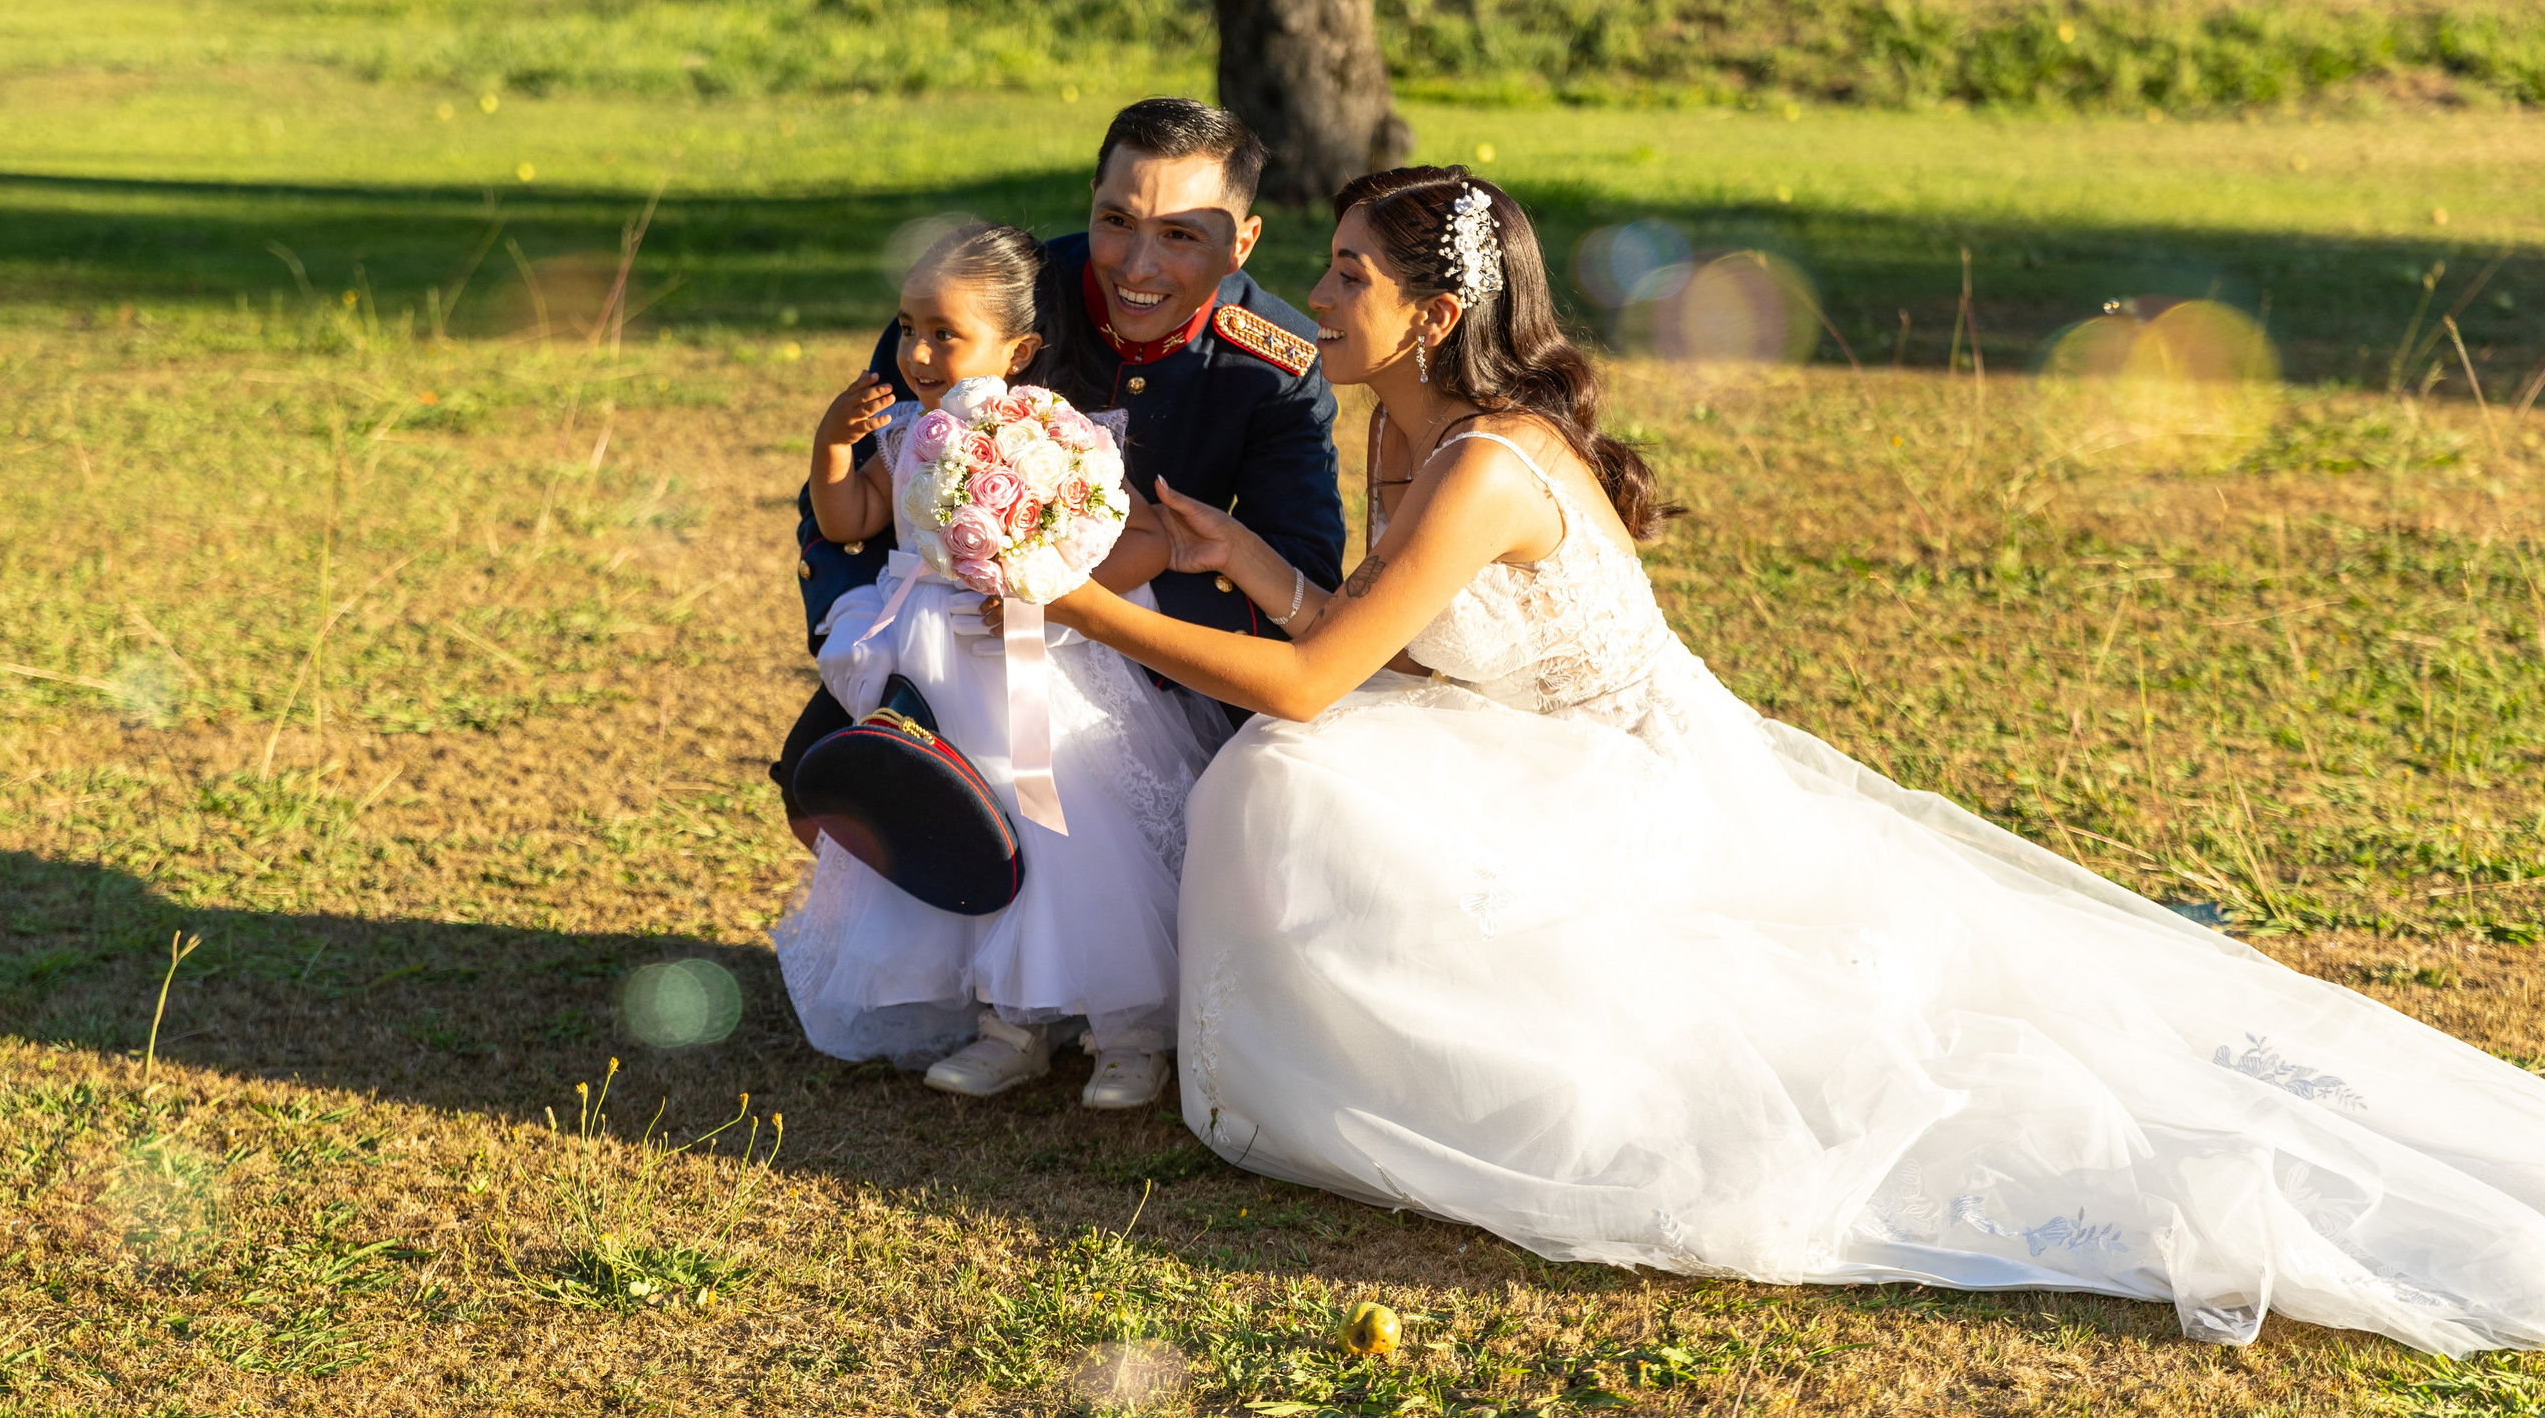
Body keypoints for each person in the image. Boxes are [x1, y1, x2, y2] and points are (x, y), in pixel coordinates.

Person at [1018, 165, 2545, 1355]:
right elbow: (1373, 633)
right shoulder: (1403, 426)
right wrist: (1249, 563)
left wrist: (1080, 598)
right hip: (1525, 743)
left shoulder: (1485, 459)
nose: (1318, 294)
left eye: (1349, 273)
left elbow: (1305, 684)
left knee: (1301, 779)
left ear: (1429, 311)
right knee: (1311, 785)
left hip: (1640, 783)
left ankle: (1459, 1092)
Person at [772, 97, 1346, 811]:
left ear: (1243, 243)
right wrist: (866, 651)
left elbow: (1294, 572)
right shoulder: (990, 294)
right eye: (1117, 221)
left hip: (1158, 667)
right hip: (944, 647)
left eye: (1179, 235)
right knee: (827, 791)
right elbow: (871, 470)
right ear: (1093, 203)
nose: (1139, 264)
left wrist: (1093, 609)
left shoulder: (1272, 365)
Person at [774, 222, 1227, 1109]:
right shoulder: (901, 430)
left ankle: (1129, 1029)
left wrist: (1043, 582)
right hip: (936, 671)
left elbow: (1132, 536)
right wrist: (834, 446)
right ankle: (1007, 1023)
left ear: (1017, 350)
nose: (919, 351)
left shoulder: (1053, 434)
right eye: (909, 327)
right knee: (957, 824)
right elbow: (849, 520)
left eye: (947, 332)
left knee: (1071, 834)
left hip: (1037, 660)